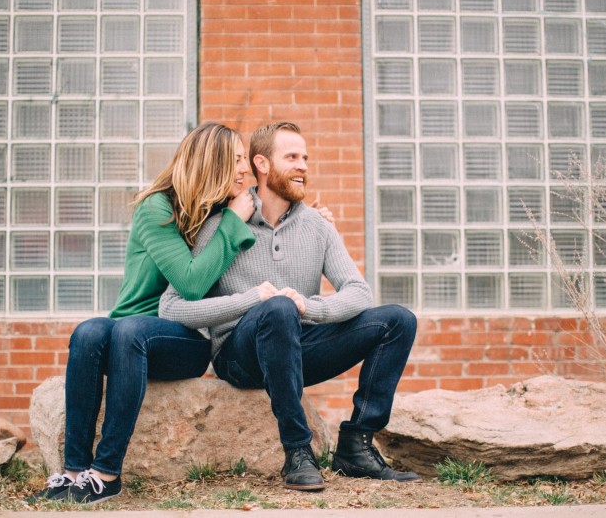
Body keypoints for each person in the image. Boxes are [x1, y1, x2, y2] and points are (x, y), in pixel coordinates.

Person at [159, 122, 420, 491]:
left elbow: (359, 292)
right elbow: (171, 307)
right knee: (277, 307)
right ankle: (298, 449)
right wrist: (254, 301)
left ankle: (356, 445)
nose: (303, 166)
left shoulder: (317, 225)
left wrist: (311, 307)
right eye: (292, 157)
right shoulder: (223, 223)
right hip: (239, 356)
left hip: (297, 346)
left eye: (305, 158)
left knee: (398, 320)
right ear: (262, 164)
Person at [28, 122, 257, 505]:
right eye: (235, 160)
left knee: (129, 331)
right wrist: (232, 222)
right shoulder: (158, 207)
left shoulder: (225, 211)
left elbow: (192, 288)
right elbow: (190, 277)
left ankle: (106, 473)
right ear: (210, 162)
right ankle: (72, 473)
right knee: (87, 332)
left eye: (245, 160)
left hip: (184, 339)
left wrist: (310, 217)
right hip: (129, 330)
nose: (245, 169)